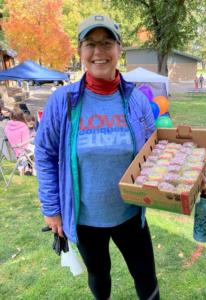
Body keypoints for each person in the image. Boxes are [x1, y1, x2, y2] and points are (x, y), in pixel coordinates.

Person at [35, 15, 159, 300]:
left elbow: (154, 150)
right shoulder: (63, 100)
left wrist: (187, 177)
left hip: (130, 213)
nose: (99, 52)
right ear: (80, 51)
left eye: (106, 43)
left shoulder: (136, 99)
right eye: (90, 44)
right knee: (99, 276)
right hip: (85, 218)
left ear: (119, 50)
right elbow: (44, 153)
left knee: (146, 277)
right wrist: (52, 208)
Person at [4, 106, 34, 175]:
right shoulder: (23, 126)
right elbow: (25, 143)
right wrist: (31, 139)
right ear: (21, 116)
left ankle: (24, 168)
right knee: (36, 147)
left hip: (11, 150)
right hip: (21, 150)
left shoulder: (7, 126)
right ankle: (30, 168)